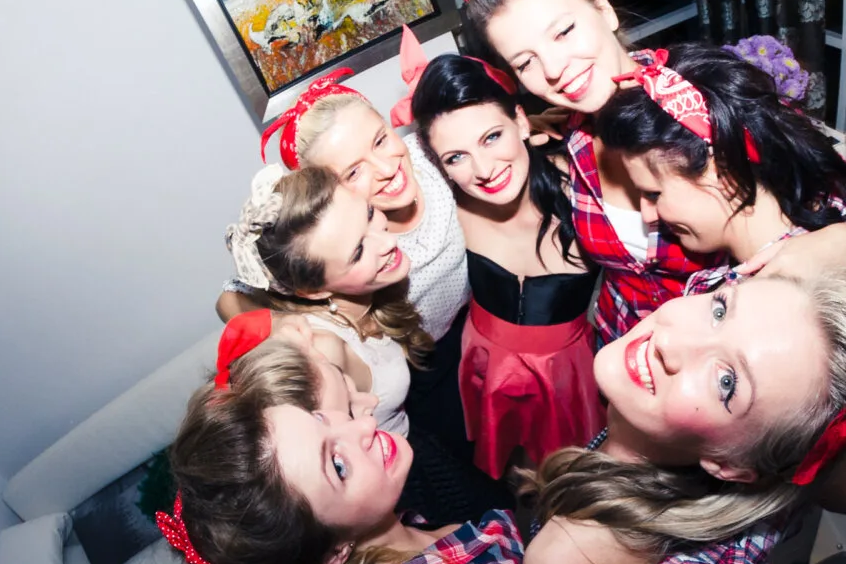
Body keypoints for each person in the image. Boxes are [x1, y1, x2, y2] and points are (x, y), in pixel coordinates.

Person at [462, 0, 846, 343]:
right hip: (625, 347)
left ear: (602, 10)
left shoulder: (703, 100)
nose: (555, 67)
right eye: (526, 62)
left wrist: (834, 247)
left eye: (563, 32)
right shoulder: (574, 136)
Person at [519, 271, 846, 564]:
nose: (672, 343)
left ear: (731, 466)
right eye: (719, 310)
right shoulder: (746, 469)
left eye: (726, 382)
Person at [163, 326, 535, 564]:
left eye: (320, 417)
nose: (365, 425)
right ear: (332, 555)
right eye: (338, 466)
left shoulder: (394, 519)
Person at [217, 67, 475, 468]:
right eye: (354, 172)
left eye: (380, 140)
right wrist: (284, 329)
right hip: (419, 366)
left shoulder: (429, 160)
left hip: (474, 325)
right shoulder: (345, 246)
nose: (387, 168)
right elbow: (230, 298)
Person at [225, 164, 509, 524]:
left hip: (420, 440)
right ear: (315, 291)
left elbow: (230, 301)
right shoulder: (323, 351)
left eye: (370, 214)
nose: (388, 241)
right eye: (358, 252)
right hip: (403, 483)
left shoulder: (361, 296)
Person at [408, 49, 604, 479]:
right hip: (483, 368)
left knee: (572, 480)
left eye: (491, 137)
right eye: (455, 157)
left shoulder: (584, 189)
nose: (483, 169)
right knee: (508, 479)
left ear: (520, 121)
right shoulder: (445, 209)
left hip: (567, 377)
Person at [596, 41, 846, 292]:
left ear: (722, 173)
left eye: (652, 194)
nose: (648, 215)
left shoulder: (764, 302)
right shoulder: (789, 186)